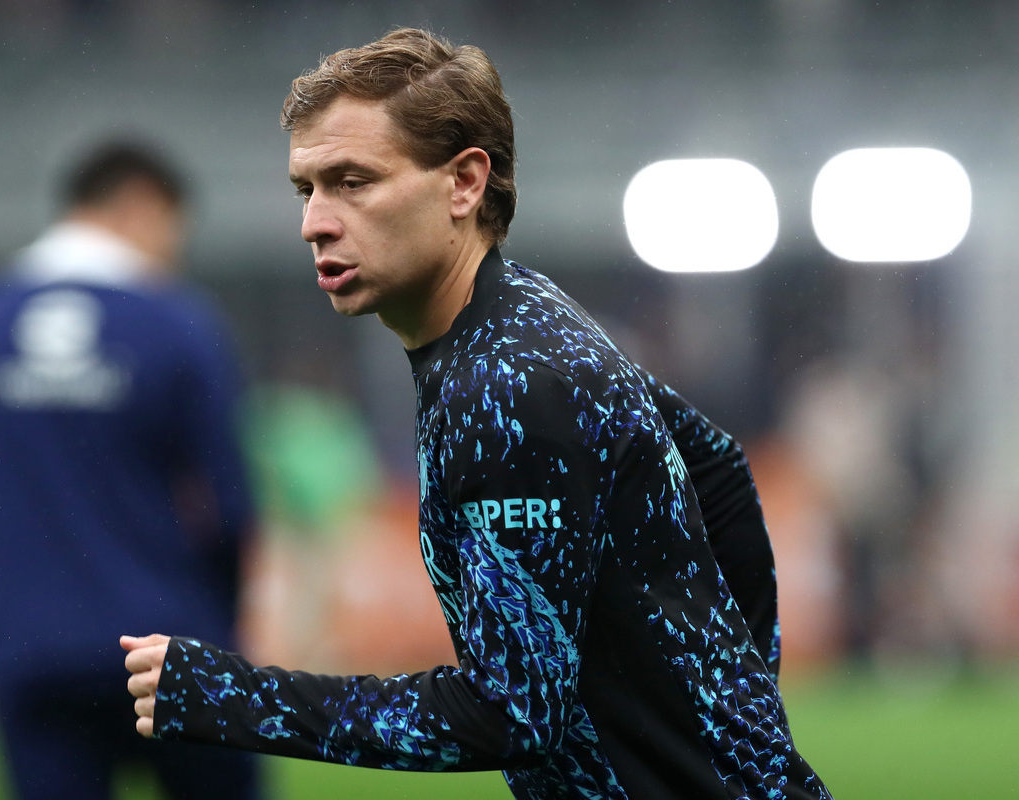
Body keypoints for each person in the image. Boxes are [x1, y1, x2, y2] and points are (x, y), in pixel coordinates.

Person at [124, 28, 828, 799]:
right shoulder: (520, 313)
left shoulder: (506, 386)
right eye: (308, 188)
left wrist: (233, 697)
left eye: (353, 182)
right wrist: (743, 712)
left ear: (464, 184)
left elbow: (514, 714)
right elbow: (720, 469)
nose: (315, 222)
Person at [0, 141, 261, 799]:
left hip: (34, 655)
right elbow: (234, 502)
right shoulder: (177, 323)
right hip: (172, 645)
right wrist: (227, 628)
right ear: (142, 208)